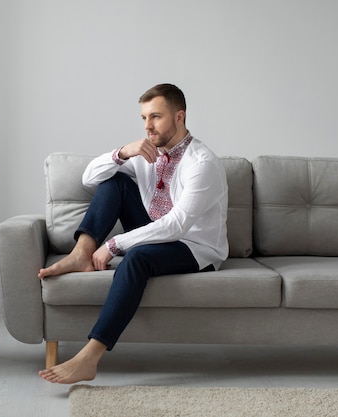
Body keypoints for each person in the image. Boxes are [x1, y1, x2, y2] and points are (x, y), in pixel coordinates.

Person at [37, 83, 228, 384]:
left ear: (180, 117)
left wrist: (114, 244)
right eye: (144, 118)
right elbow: (89, 178)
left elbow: (176, 225)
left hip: (192, 245)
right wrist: (123, 152)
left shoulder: (202, 164)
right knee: (114, 183)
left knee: (136, 257)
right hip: (156, 228)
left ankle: (90, 356)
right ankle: (80, 254)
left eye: (156, 117)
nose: (148, 126)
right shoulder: (145, 153)